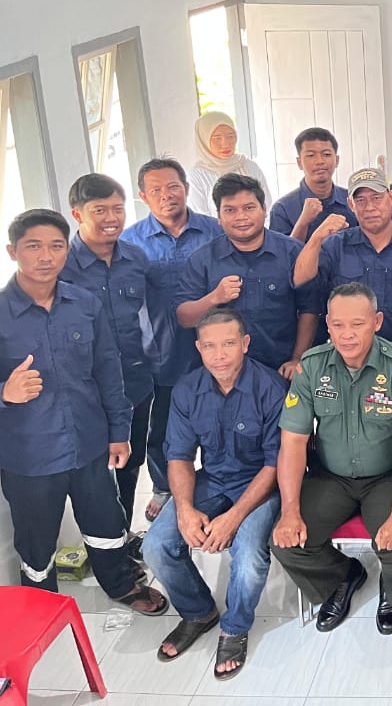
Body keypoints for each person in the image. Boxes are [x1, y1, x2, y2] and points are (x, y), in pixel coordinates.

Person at [0, 209, 167, 613]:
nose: (45, 256)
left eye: (56, 246)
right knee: (35, 540)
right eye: (33, 246)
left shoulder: (84, 304)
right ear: (13, 251)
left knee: (106, 523)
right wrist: (3, 393)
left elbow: (108, 372)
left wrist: (119, 433)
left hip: (89, 445)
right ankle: (41, 606)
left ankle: (121, 585)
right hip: (30, 458)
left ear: (66, 251)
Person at [272, 283, 392, 634]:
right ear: (327, 325)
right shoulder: (311, 367)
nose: (347, 334)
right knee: (286, 542)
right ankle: (343, 576)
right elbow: (293, 442)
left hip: (386, 476)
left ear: (377, 322)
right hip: (332, 477)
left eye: (357, 324)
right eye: (338, 325)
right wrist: (290, 510)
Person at [144, 308, 285, 680]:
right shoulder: (187, 390)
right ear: (199, 348)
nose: (219, 355)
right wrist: (185, 509)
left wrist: (233, 518)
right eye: (209, 346)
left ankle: (235, 627)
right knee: (156, 545)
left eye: (228, 344)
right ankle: (198, 612)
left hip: (262, 484)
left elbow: (275, 465)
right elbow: (178, 456)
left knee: (249, 555)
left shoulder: (270, 388)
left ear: (245, 343)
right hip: (213, 479)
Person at [60, 173, 164, 527]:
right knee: (92, 473)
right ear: (78, 214)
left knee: (129, 464)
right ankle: (103, 544)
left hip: (135, 383)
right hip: (85, 390)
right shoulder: (62, 267)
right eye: (100, 210)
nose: (111, 218)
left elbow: (154, 312)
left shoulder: (135, 258)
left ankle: (123, 535)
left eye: (118, 209)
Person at [122, 158, 223, 522]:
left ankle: (218, 481)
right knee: (161, 427)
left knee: (219, 420)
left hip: (215, 348)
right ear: (143, 196)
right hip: (160, 349)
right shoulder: (130, 242)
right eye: (156, 190)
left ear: (186, 188)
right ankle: (164, 487)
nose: (166, 195)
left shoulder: (215, 231)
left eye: (173, 187)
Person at [176, 174, 320, 378]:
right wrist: (215, 297)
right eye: (230, 210)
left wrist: (297, 358)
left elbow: (310, 309)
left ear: (264, 209)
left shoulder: (293, 252)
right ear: (219, 217)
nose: (241, 217)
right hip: (223, 376)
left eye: (249, 208)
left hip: (281, 371)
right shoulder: (202, 259)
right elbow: (184, 318)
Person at [295, 167, 392, 355]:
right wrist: (317, 237)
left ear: (391, 198)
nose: (369, 207)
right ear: (350, 205)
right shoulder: (335, 246)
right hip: (346, 362)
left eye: (376, 198)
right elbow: (300, 280)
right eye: (360, 200)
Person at [268, 127, 357, 242]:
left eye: (326, 154)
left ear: (337, 160)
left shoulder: (353, 200)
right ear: (299, 163)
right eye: (311, 155)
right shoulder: (282, 209)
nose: (320, 161)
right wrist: (302, 223)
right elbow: (281, 252)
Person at [188, 111, 272, 217]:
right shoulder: (197, 175)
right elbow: (201, 218)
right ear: (204, 140)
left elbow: (266, 205)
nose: (225, 144)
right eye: (217, 138)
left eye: (230, 136)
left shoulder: (248, 166)